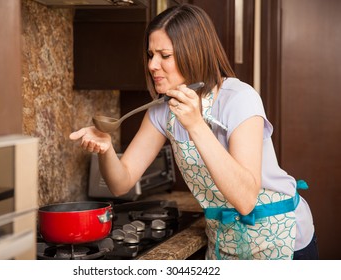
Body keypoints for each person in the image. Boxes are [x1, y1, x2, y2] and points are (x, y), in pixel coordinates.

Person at [70, 4, 318, 260]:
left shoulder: (239, 99)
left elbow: (245, 200)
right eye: (150, 54)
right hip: (225, 242)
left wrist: (196, 125)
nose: (152, 65)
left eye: (164, 55)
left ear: (193, 54)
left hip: (280, 239)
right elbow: (121, 183)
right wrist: (106, 149)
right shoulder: (161, 110)